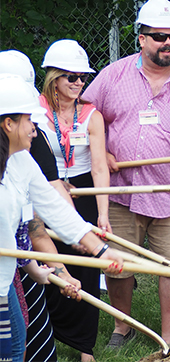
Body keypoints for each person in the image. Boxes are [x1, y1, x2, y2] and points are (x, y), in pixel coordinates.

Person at [81, 0, 170, 347]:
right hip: (122, 192)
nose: (168, 43)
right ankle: (122, 326)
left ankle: (169, 338)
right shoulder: (113, 76)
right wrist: (104, 149)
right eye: (159, 36)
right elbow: (84, 114)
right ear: (141, 38)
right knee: (119, 265)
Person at [0, 74, 124, 362]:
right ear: (8, 124)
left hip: (6, 281)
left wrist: (101, 250)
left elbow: (55, 209)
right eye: (29, 121)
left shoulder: (21, 161)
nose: (35, 129)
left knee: (17, 347)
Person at [0, 49, 82, 362]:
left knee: (22, 337)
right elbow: (30, 226)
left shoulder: (25, 150)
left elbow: (33, 222)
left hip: (16, 267)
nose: (34, 127)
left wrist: (51, 271)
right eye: (27, 118)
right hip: (9, 270)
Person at [37, 39, 108, 361]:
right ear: (54, 78)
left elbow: (98, 166)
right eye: (72, 77)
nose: (79, 82)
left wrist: (103, 214)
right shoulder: (34, 111)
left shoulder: (92, 115)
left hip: (84, 192)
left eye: (83, 77)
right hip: (45, 190)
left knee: (88, 269)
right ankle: (46, 334)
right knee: (48, 263)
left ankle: (84, 346)